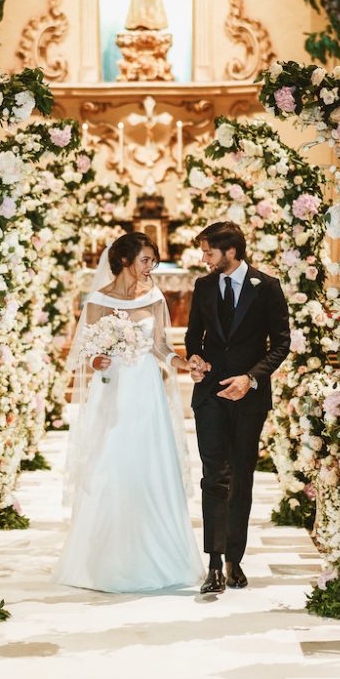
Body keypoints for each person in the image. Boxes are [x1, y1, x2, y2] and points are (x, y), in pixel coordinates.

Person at [54, 232, 203, 593]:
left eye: (153, 260)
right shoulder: (98, 299)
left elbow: (160, 347)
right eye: (146, 260)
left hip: (147, 391)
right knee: (113, 465)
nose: (151, 267)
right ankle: (109, 560)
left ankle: (161, 554)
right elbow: (84, 352)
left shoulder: (153, 295)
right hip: (114, 391)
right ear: (124, 260)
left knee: (151, 465)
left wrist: (183, 363)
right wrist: (96, 359)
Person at [186, 222, 291, 595]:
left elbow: (281, 344)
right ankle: (213, 564)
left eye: (208, 252)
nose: (204, 259)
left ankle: (235, 558)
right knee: (214, 475)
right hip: (211, 394)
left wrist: (251, 377)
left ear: (230, 251)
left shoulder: (268, 287)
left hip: (249, 395)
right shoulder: (203, 286)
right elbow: (192, 338)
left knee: (241, 475)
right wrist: (195, 360)